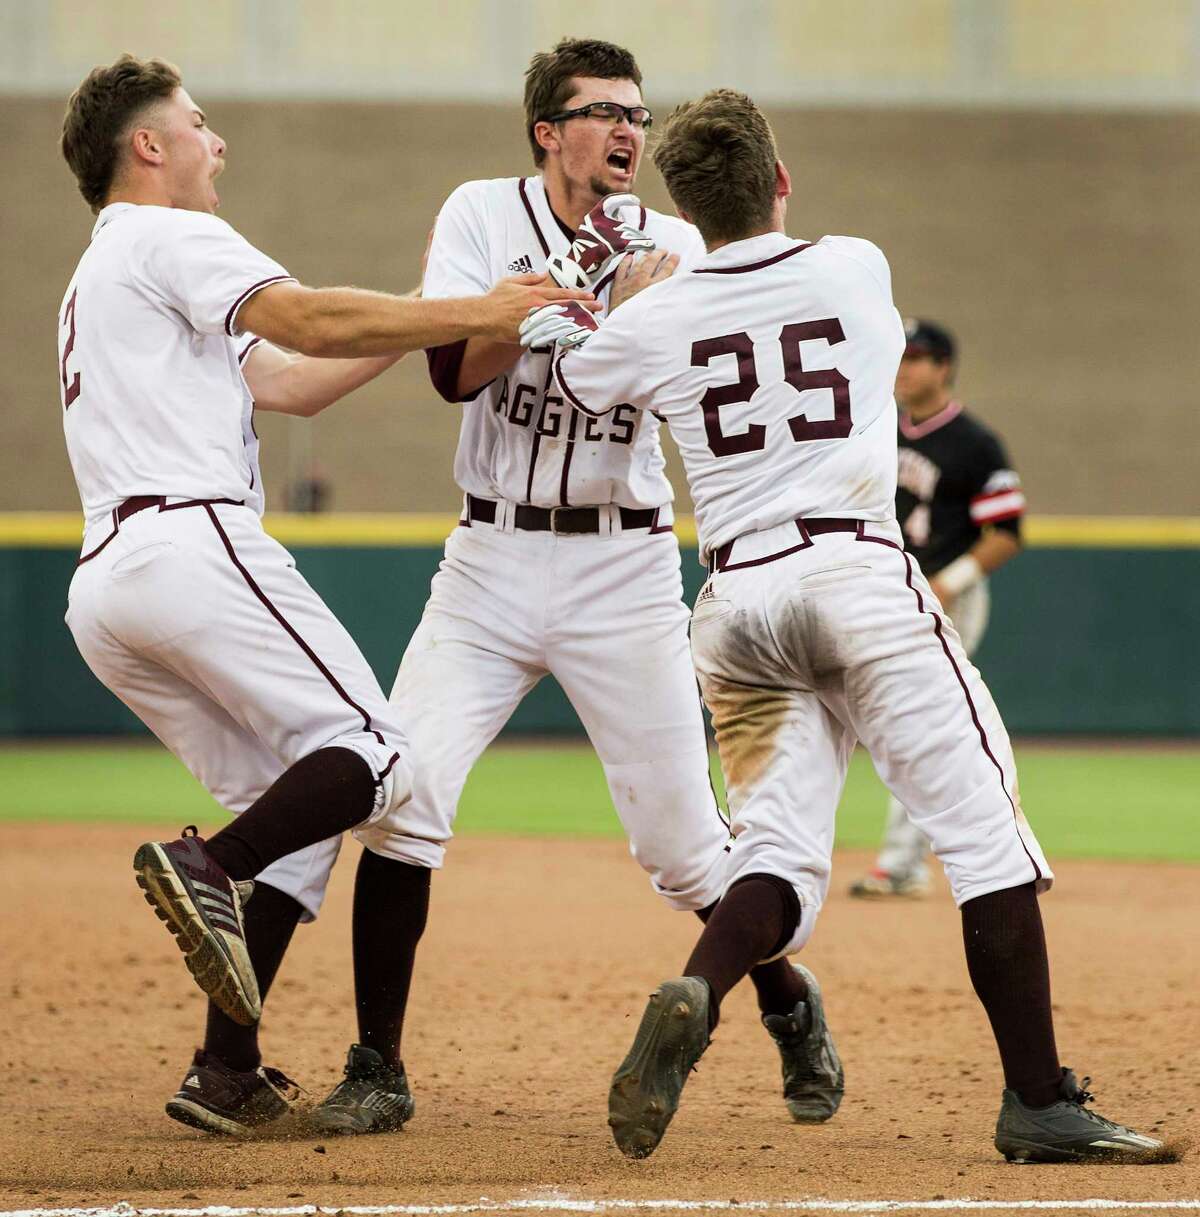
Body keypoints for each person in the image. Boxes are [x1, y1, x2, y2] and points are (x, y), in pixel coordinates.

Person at [523, 88, 1162, 1164]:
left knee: (774, 850)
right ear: (779, 183)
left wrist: (606, 292)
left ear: (686, 204)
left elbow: (577, 367)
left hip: (736, 605)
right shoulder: (855, 262)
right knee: (983, 834)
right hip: (856, 574)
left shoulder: (659, 313)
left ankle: (704, 982)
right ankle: (1038, 1096)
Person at [309, 38, 841, 1136]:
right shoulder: (478, 212)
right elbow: (452, 369)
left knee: (686, 845)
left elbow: (678, 384)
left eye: (637, 115)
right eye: (601, 112)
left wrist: (632, 311)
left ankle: (788, 998)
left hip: (625, 560)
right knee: (403, 797)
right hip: (492, 558)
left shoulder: (679, 241)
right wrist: (546, 298)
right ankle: (378, 1065)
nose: (626, 131)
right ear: (547, 130)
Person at [57, 54, 590, 1135]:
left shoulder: (100, 271)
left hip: (107, 585)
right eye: (198, 124)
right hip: (190, 541)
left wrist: (436, 316)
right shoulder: (171, 232)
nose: (218, 143)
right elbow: (305, 323)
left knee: (306, 810)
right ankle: (203, 861)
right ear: (147, 146)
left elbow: (291, 381)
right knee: (384, 758)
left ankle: (224, 1066)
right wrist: (474, 304)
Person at [850, 319, 1025, 899]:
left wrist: (946, 585)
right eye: (899, 356)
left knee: (922, 720)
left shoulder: (975, 443)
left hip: (947, 594)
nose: (904, 368)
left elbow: (1005, 531)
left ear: (944, 366)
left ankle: (904, 861)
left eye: (917, 357)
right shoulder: (873, 426)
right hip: (880, 589)